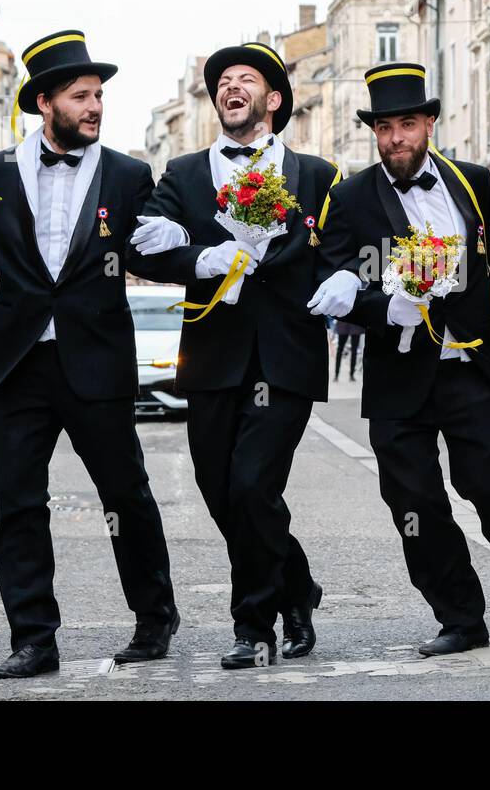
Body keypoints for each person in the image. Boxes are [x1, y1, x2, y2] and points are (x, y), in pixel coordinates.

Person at [0, 29, 178, 678]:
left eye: (99, 95)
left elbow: (149, 246)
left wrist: (179, 239)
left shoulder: (129, 174)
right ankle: (33, 639)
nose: (95, 106)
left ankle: (154, 619)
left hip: (96, 359)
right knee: (18, 502)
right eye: (81, 96)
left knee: (125, 495)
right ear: (45, 103)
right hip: (19, 362)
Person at [311, 63, 490, 656]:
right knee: (414, 503)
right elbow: (336, 274)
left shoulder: (471, 181)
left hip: (469, 364)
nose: (396, 138)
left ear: (430, 124)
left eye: (408, 125)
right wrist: (376, 307)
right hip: (398, 376)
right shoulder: (350, 196)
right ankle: (461, 616)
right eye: (385, 127)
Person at [127, 41, 336, 670]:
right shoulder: (186, 175)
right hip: (212, 357)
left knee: (253, 483)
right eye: (222, 81)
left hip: (286, 358)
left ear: (273, 100)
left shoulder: (316, 174)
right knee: (222, 491)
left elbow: (340, 250)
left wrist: (353, 284)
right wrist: (200, 257)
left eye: (245, 80)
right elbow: (142, 245)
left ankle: (253, 626)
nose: (230, 88)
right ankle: (297, 587)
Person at [333, 317, 363, 382]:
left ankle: (351, 374)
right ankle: (336, 374)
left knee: (353, 351)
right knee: (340, 350)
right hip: (345, 321)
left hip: (354, 322)